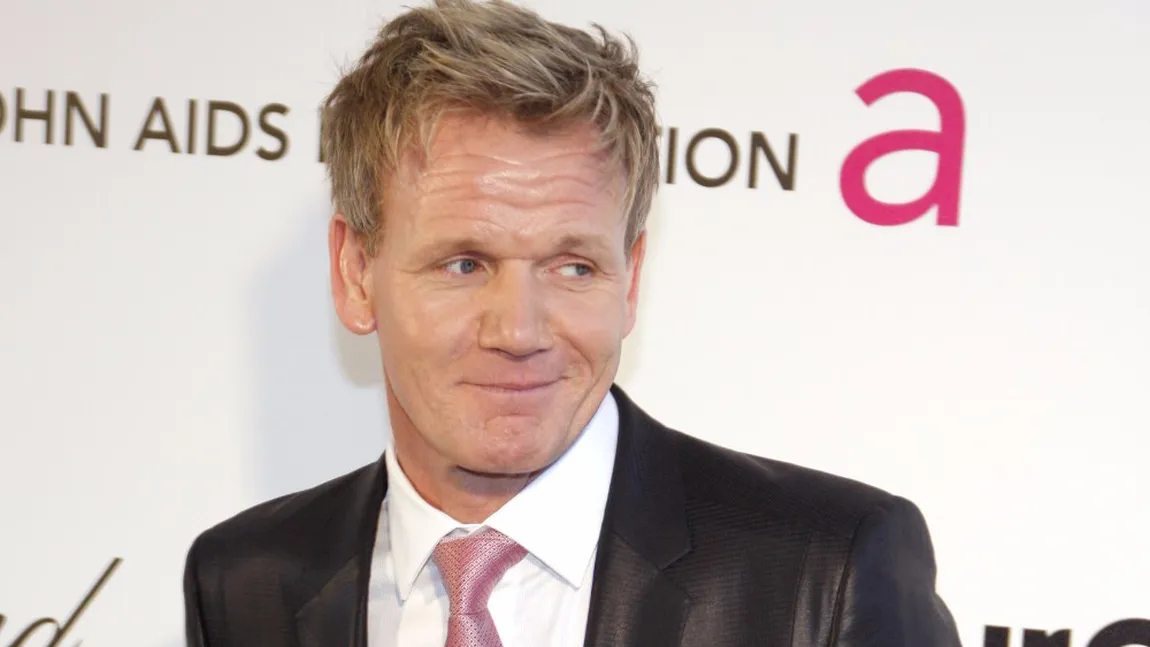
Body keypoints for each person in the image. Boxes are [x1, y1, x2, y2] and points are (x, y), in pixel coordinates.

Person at [183, 0, 962, 645]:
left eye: (573, 267)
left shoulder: (826, 572)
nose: (519, 330)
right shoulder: (245, 582)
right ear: (357, 273)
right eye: (465, 264)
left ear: (631, 280)